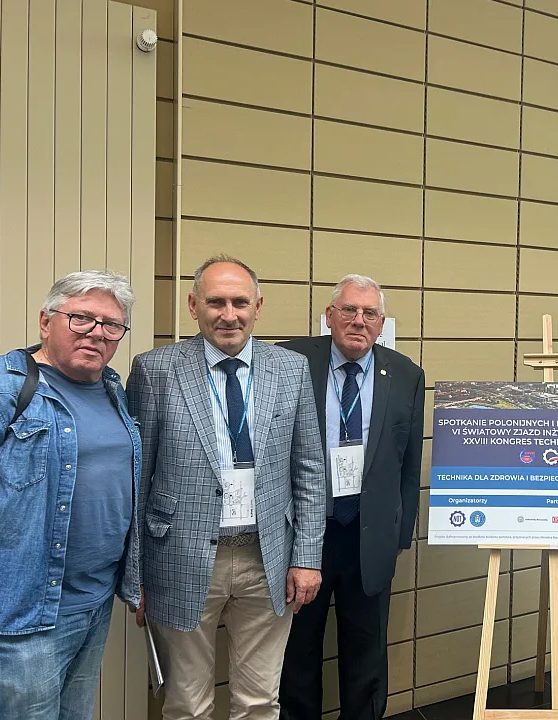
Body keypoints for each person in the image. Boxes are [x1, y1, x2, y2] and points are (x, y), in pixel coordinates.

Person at [128, 255, 325, 720]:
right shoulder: (156, 370)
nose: (228, 314)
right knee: (187, 703)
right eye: (216, 302)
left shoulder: (290, 369)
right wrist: (134, 573)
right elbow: (136, 476)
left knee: (260, 702)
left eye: (240, 302)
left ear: (258, 306)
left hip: (267, 557)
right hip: (179, 556)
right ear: (193, 305)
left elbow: (310, 469)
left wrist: (307, 557)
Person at [0, 270, 141, 720]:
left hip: (94, 603)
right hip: (20, 615)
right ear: (45, 321)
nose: (97, 333)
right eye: (81, 318)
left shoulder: (112, 389)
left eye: (112, 325)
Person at [279, 274, 424, 720]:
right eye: (349, 310)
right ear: (329, 316)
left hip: (369, 534)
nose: (359, 321)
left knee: (367, 654)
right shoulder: (290, 361)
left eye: (370, 313)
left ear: (381, 323)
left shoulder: (406, 375)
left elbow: (409, 462)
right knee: (297, 651)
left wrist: (401, 533)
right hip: (304, 533)